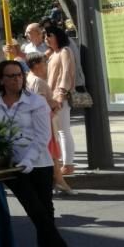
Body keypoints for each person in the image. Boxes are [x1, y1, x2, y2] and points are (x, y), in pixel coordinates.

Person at [0, 61, 75, 247]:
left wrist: (28, 160)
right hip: (11, 165)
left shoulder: (36, 101)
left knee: (45, 206)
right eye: (11, 76)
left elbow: (43, 136)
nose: (16, 78)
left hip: (38, 162)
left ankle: (46, 246)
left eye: (19, 75)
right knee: (34, 208)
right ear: (1, 80)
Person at [26, 52, 72, 195]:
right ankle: (59, 182)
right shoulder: (38, 82)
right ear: (36, 65)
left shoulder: (30, 78)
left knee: (51, 153)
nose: (46, 65)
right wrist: (54, 104)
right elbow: (40, 102)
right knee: (51, 153)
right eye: (44, 63)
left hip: (41, 121)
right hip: (45, 121)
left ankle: (59, 182)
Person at [45, 25, 77, 176]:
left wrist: (61, 93)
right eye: (46, 36)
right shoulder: (52, 54)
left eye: (49, 35)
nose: (47, 38)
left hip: (60, 97)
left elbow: (66, 73)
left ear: (57, 36)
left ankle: (68, 164)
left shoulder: (65, 51)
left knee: (63, 131)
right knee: (56, 132)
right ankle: (61, 163)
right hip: (52, 97)